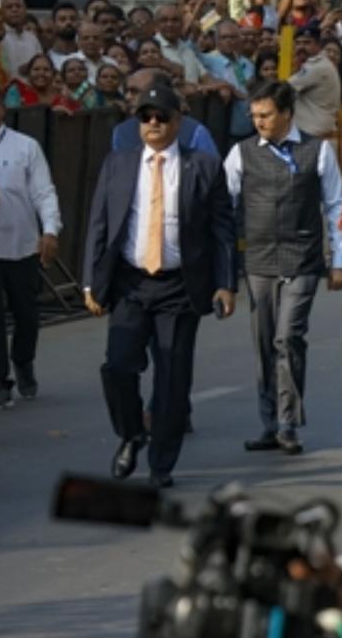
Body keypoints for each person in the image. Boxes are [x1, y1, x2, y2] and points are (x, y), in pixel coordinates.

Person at [82, 84, 237, 488]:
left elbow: (222, 228)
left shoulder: (202, 166)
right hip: (131, 283)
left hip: (181, 287)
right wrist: (90, 282)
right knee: (118, 365)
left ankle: (161, 463)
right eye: (145, 116)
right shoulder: (118, 164)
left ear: (177, 121)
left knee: (172, 377)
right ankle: (132, 433)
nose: (153, 123)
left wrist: (225, 284)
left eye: (161, 116)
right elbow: (99, 225)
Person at [222, 81, 342, 455]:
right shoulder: (240, 154)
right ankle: (269, 422)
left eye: (265, 115)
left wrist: (339, 262)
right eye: (254, 115)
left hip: (303, 260)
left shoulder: (318, 151)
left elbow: (337, 207)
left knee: (287, 338)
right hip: (259, 262)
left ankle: (289, 423)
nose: (258, 122)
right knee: (264, 343)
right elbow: (223, 207)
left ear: (286, 114)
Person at [0, 82, 62, 410]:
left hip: (21, 244)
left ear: (3, 108)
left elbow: (43, 191)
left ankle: (23, 359)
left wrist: (50, 230)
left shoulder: (25, 146)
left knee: (26, 315)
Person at [110, 70, 219, 155]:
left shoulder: (195, 132)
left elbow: (210, 175)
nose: (128, 97)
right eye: (127, 91)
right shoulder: (121, 132)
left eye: (134, 91)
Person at [202, 18, 256, 141]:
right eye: (224, 37)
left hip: (247, 128)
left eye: (233, 37)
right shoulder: (207, 61)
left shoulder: (247, 64)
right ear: (216, 40)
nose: (229, 41)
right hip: (222, 130)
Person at [286, 24, 341, 141]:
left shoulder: (316, 67)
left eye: (307, 43)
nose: (301, 47)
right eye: (298, 43)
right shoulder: (321, 64)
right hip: (318, 139)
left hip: (315, 141)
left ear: (318, 46)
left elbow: (283, 89)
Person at [4, 54, 81, 112]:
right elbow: (10, 119)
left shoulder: (62, 95)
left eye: (46, 70)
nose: (41, 74)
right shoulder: (17, 91)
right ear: (28, 73)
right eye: (36, 69)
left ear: (53, 74)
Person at [0, 0, 43, 85]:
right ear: (1, 11)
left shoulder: (32, 38)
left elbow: (41, 63)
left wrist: (31, 67)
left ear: (25, 10)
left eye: (18, 6)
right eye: (9, 7)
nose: (14, 10)